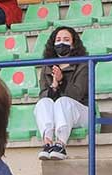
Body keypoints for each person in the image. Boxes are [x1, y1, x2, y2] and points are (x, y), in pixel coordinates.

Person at [33, 26, 87, 162]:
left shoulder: (83, 64)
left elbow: (78, 95)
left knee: (62, 102)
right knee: (43, 103)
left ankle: (61, 145)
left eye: (66, 39)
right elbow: (43, 94)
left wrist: (62, 80)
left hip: (81, 112)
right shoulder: (47, 66)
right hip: (57, 114)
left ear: (73, 43)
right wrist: (55, 85)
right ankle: (47, 143)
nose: (61, 43)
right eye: (58, 39)